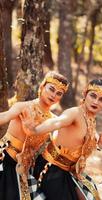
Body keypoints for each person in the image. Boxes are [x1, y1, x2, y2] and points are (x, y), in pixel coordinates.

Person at [23, 78, 102, 200]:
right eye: (93, 96)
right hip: (50, 169)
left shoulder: (90, 118)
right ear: (85, 94)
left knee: (90, 195)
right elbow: (56, 122)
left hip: (70, 171)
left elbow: (87, 134)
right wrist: (34, 130)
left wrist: (98, 140)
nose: (96, 101)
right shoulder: (74, 113)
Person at [0, 71, 69, 200]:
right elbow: (4, 116)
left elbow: (57, 145)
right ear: (42, 87)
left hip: (23, 170)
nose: (54, 95)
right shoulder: (23, 107)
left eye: (59, 93)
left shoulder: (53, 120)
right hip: (4, 159)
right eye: (51, 89)